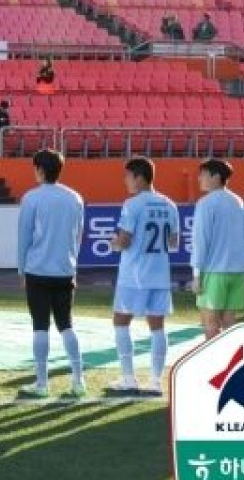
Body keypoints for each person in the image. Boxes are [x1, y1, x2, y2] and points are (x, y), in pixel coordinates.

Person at [15, 151, 86, 398]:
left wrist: (21, 269)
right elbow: (78, 236)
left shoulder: (31, 198)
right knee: (66, 325)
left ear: (40, 170)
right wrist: (72, 266)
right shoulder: (75, 198)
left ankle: (42, 383)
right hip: (65, 270)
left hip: (37, 270)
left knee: (40, 327)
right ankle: (79, 381)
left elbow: (24, 237)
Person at [107, 157, 180, 395]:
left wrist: (114, 244)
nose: (125, 181)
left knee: (121, 322)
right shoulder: (169, 204)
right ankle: (156, 382)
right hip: (160, 274)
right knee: (157, 327)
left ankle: (128, 378)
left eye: (127, 176)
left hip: (134, 274)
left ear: (138, 177)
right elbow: (174, 242)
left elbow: (125, 240)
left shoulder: (133, 204)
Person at [191, 159, 244, 340]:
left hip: (214, 271)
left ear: (216, 176)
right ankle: (231, 366)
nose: (199, 178)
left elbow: (201, 240)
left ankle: (214, 365)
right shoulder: (239, 202)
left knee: (210, 323)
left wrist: (196, 274)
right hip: (238, 271)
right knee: (229, 323)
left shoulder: (206, 203)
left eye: (203, 174)